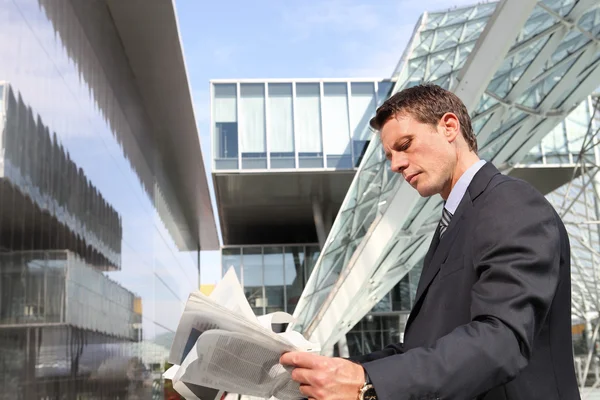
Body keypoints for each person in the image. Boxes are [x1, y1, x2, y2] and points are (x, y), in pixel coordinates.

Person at [280, 83, 580, 400]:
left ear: (449, 127)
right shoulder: (454, 223)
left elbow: (501, 339)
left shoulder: (510, 202)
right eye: (390, 155)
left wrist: (369, 383)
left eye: (405, 144)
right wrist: (331, 372)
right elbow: (424, 347)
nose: (395, 164)